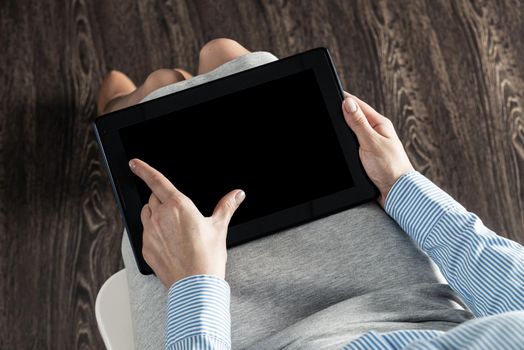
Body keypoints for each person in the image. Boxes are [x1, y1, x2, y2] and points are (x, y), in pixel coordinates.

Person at [97, 39, 524, 350]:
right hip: (405, 306)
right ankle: (150, 98)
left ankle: (129, 104)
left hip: (240, 337)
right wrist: (400, 185)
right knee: (233, 58)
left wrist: (193, 282)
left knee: (163, 95)